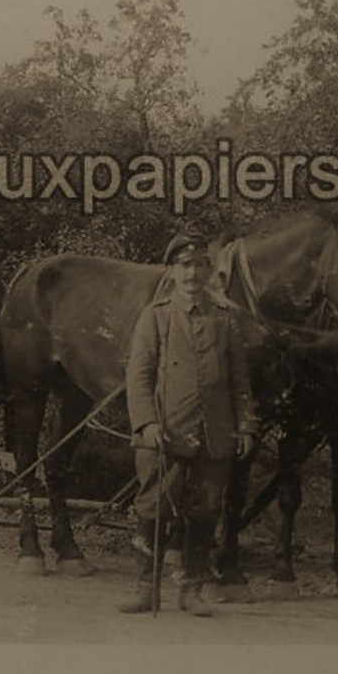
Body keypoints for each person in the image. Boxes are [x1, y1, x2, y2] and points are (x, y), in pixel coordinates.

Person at [120, 231, 261, 616]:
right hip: (165, 433)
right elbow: (139, 376)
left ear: (209, 270)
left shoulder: (225, 321)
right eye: (184, 266)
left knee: (204, 512)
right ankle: (145, 590)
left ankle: (191, 590)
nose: (193, 273)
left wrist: (245, 425)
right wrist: (146, 423)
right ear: (171, 271)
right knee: (153, 509)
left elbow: (239, 381)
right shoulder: (156, 317)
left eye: (200, 265)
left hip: (214, 434)